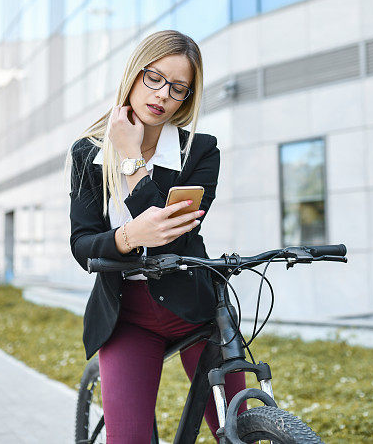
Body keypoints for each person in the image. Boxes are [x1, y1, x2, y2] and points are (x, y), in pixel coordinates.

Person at [68, 30, 246, 442]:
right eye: (154, 78)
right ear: (134, 74)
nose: (162, 94)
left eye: (178, 88)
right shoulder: (88, 153)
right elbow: (82, 245)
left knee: (235, 429)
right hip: (127, 315)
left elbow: (173, 237)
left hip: (197, 305)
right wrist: (130, 236)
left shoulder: (199, 151)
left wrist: (131, 160)